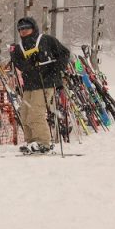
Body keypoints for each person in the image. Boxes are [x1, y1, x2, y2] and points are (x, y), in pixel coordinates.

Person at [9, 16, 70, 153]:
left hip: (45, 83)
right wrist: (14, 56)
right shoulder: (20, 46)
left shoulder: (46, 40)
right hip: (30, 84)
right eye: (20, 29)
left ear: (33, 28)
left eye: (26, 28)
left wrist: (54, 70)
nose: (23, 31)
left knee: (35, 113)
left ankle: (43, 142)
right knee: (25, 114)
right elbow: (21, 66)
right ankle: (31, 142)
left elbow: (64, 54)